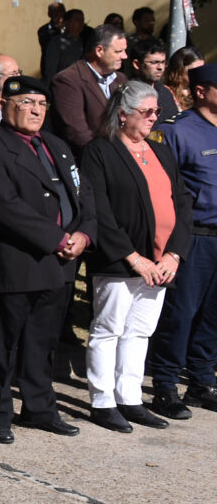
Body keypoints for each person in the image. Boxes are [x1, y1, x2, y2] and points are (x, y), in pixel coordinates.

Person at [0, 76, 96, 443]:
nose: (36, 110)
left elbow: (83, 193)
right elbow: (4, 207)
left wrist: (84, 234)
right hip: (18, 262)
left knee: (43, 341)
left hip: (61, 261)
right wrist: (57, 239)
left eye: (41, 104)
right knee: (2, 343)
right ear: (5, 105)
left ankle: (40, 408)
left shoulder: (55, 145)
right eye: (26, 102)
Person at [78, 82, 191, 432]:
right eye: (147, 111)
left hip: (160, 262)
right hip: (120, 260)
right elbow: (99, 210)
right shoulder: (100, 150)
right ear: (123, 114)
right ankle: (103, 401)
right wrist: (133, 258)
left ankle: (129, 398)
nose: (154, 117)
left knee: (140, 331)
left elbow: (182, 203)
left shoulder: (159, 151)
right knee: (109, 328)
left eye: (157, 111)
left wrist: (173, 254)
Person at [146, 64, 217, 419]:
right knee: (180, 313)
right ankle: (165, 384)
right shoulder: (176, 131)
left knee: (212, 315)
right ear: (201, 91)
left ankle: (202, 381)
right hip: (195, 236)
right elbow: (160, 187)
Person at [50, 23, 129, 154]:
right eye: (118, 51)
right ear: (99, 51)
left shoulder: (121, 79)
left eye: (124, 51)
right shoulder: (68, 80)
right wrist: (108, 156)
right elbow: (76, 132)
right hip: (91, 157)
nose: (125, 56)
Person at [128, 41, 178, 121]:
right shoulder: (127, 93)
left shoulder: (165, 93)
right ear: (137, 64)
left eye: (163, 62)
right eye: (154, 62)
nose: (160, 67)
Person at [42, 8, 87, 79]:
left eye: (82, 20)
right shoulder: (57, 42)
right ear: (67, 22)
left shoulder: (85, 41)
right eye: (77, 20)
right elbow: (51, 70)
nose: (81, 23)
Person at [165, 46, 203, 114]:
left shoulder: (199, 91)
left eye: (201, 69)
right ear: (180, 69)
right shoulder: (165, 92)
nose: (199, 73)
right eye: (194, 70)